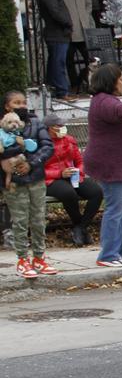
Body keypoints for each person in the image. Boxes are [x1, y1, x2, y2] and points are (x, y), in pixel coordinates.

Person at [83, 64, 122, 268]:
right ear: (110, 81)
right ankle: (108, 255)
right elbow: (118, 110)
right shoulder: (103, 101)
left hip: (121, 164)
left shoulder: (105, 100)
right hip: (112, 165)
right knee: (116, 209)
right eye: (121, 78)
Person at [2, 91, 55, 277]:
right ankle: (22, 260)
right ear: (8, 107)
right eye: (17, 102)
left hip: (36, 178)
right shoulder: (2, 127)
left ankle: (39, 258)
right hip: (14, 182)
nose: (22, 105)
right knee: (20, 221)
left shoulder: (36, 123)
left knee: (39, 219)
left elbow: (48, 146)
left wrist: (31, 163)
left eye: (24, 102)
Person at [42, 113, 102, 246]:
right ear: (49, 128)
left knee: (96, 191)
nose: (63, 127)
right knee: (68, 193)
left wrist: (78, 171)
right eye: (59, 126)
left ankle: (80, 227)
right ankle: (79, 227)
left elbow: (80, 161)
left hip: (72, 176)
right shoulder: (41, 144)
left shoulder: (69, 140)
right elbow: (38, 169)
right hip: (51, 180)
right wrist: (59, 173)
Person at [35, 0, 74, 101]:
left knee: (54, 62)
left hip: (59, 33)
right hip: (56, 33)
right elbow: (55, 12)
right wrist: (67, 23)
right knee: (59, 63)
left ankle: (51, 88)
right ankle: (62, 92)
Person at [58, 0, 94, 96]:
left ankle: (89, 82)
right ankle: (74, 84)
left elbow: (88, 4)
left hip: (84, 29)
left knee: (89, 58)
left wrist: (85, 16)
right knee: (69, 60)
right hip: (69, 30)